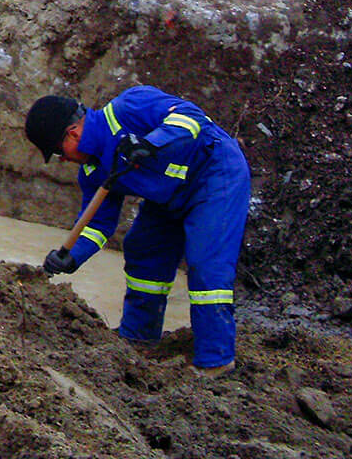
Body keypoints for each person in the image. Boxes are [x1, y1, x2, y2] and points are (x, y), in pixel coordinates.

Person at [24, 86, 251, 375]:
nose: (63, 159)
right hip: (168, 195)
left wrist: (151, 142)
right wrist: (72, 255)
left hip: (214, 174)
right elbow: (97, 224)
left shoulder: (129, 106)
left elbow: (190, 118)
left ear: (73, 134)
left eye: (58, 152)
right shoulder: (94, 172)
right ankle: (138, 338)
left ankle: (216, 362)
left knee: (207, 264)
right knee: (144, 250)